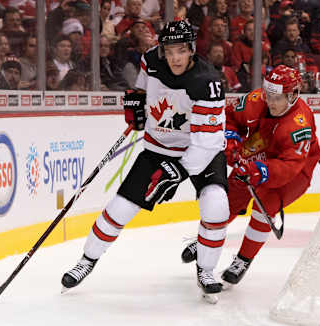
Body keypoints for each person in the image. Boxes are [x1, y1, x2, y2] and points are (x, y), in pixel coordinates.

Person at [61, 20, 230, 302]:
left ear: (191, 49)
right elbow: (141, 90)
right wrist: (136, 107)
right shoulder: (150, 60)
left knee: (216, 205)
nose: (174, 58)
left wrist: (177, 171)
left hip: (200, 152)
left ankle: (206, 270)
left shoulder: (207, 82)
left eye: (181, 51)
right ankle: (86, 261)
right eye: (169, 51)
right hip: (157, 148)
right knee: (120, 208)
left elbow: (207, 143)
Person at [181, 65, 320, 287]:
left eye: (278, 98)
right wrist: (232, 138)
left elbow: (290, 166)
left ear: (293, 95)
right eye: (269, 95)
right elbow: (228, 116)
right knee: (229, 198)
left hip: (294, 171)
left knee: (263, 208)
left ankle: (243, 260)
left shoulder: (298, 124)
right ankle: (206, 241)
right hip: (260, 151)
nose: (271, 102)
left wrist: (260, 171)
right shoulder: (257, 99)